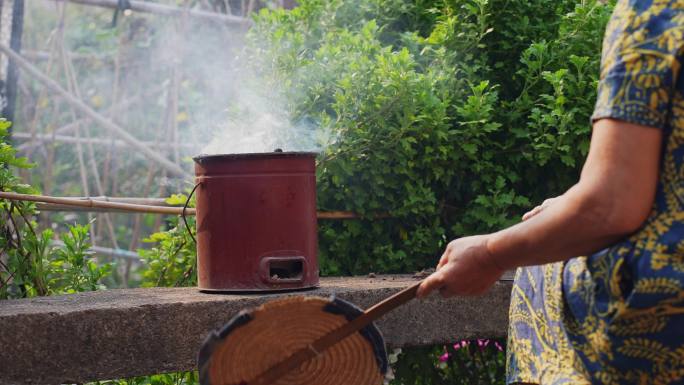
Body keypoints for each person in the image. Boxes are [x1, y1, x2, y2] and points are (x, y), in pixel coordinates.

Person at [417, 1, 684, 383]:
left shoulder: (656, 13)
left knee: (538, 272)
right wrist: (571, 204)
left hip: (667, 312)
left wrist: (490, 255)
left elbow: (611, 207)